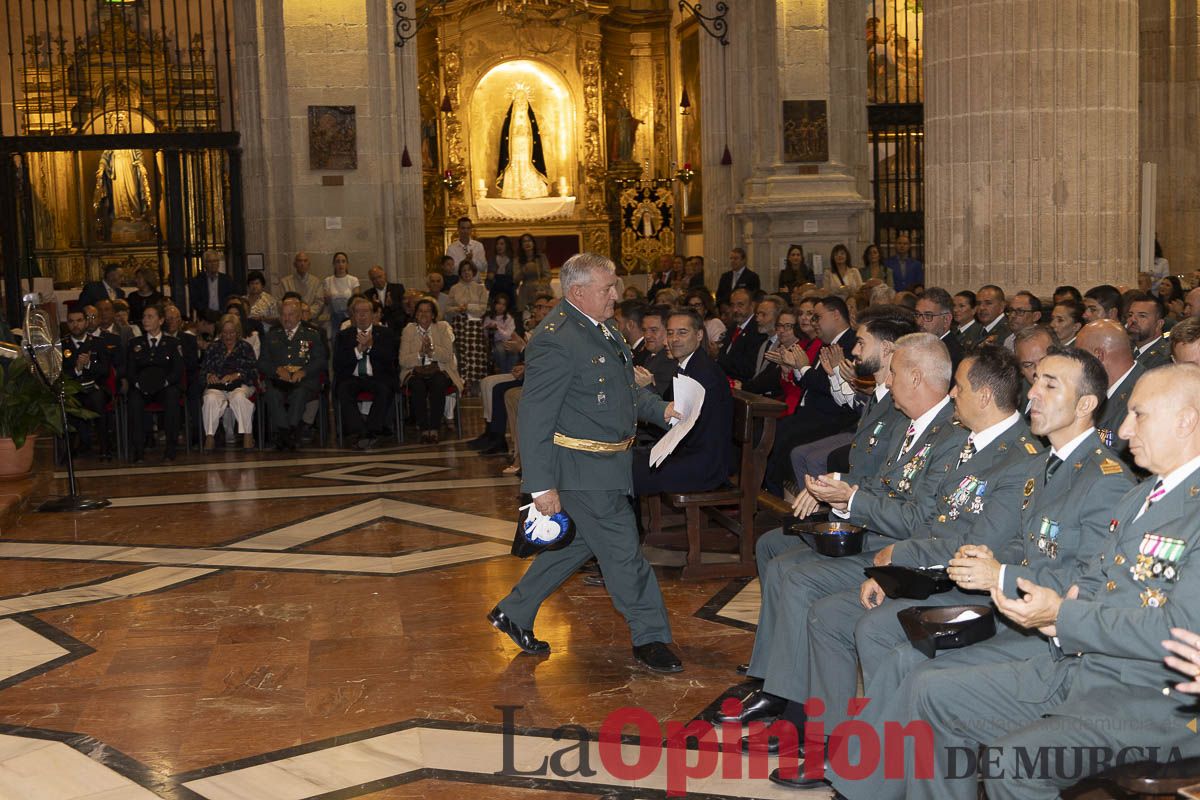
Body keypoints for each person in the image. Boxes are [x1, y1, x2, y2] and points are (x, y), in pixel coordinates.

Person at [831, 346, 1133, 800]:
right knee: (903, 660)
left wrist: (1000, 574)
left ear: (1086, 404)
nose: (1034, 395)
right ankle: (876, 788)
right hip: (1017, 614)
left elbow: (1086, 582)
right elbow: (1024, 542)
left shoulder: (1105, 479)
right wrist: (980, 559)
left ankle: (865, 790)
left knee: (922, 679)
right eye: (1036, 382)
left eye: (1051, 386)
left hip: (1053, 637)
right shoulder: (1043, 466)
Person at [905, 364, 1200, 800]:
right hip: (1084, 667)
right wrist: (1052, 617)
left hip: (1153, 702)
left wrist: (1065, 616)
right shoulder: (1143, 493)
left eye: (1139, 414)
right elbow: (1096, 582)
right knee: (929, 691)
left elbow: (1177, 631)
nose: (1122, 428)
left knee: (1013, 762)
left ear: (1187, 419)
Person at [767, 347, 1044, 790]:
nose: (952, 394)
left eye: (961, 388)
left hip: (969, 587)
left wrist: (898, 558)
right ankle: (833, 747)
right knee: (829, 615)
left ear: (986, 397)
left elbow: (978, 547)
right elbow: (933, 519)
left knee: (876, 629)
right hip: (932, 571)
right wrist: (894, 566)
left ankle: (887, 765)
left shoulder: (1020, 459)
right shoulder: (969, 441)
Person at [726, 331, 958, 727]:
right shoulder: (912, 423)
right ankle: (784, 689)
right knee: (781, 559)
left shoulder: (947, 436)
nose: (886, 380)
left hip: (900, 551)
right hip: (876, 530)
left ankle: (792, 702)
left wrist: (848, 500)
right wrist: (839, 492)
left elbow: (920, 518)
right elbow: (886, 484)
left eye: (895, 372)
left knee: (797, 577)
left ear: (916, 377)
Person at [489, 253, 683, 673]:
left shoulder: (602, 329)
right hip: (581, 469)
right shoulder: (556, 338)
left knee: (579, 544)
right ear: (577, 292)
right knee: (624, 555)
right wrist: (539, 487)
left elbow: (623, 392)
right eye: (607, 288)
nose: (617, 295)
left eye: (614, 286)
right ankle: (650, 637)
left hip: (608, 466)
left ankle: (514, 610)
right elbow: (535, 415)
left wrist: (662, 410)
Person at [259, 298, 326, 451]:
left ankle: (284, 436)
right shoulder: (272, 335)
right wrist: (276, 370)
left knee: (299, 393)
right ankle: (289, 435)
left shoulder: (312, 335)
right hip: (278, 380)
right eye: (283, 315)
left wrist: (304, 371)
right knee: (272, 394)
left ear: (299, 316)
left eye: (291, 315)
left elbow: (321, 360)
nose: (286, 318)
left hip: (303, 380)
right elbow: (262, 362)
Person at [333, 296, 399, 449]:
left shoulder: (385, 333)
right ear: (353, 316)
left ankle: (370, 430)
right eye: (358, 312)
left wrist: (370, 347)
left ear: (372, 314)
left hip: (377, 377)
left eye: (366, 312)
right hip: (353, 377)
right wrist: (358, 351)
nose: (362, 315)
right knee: (343, 389)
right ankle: (363, 432)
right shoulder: (344, 335)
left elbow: (390, 358)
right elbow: (338, 364)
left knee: (384, 389)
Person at [1076, 318, 1142, 462]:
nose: (1075, 364)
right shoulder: (1099, 388)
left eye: (1079, 356)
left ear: (1098, 356)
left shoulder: (1145, 396)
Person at [125, 303, 184, 463]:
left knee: (172, 396)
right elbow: (130, 370)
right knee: (134, 400)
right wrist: (138, 384)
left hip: (164, 387)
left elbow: (177, 370)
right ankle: (138, 449)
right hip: (141, 387)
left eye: (150, 317)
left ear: (161, 320)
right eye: (144, 317)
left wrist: (164, 383)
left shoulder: (172, 343)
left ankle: (170, 448)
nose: (145, 320)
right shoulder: (135, 343)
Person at [400, 298, 462, 443]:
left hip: (439, 369)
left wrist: (431, 350)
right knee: (417, 386)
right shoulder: (408, 330)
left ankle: (434, 428)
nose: (424, 314)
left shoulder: (441, 328)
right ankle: (423, 429)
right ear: (415, 314)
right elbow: (402, 360)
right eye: (420, 311)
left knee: (439, 382)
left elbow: (447, 355)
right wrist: (420, 353)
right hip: (415, 371)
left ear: (433, 315)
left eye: (428, 311)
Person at [200, 314, 258, 451]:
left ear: (237, 332)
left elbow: (253, 372)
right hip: (218, 386)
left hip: (241, 384)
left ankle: (247, 435)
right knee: (210, 398)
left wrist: (237, 375)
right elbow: (202, 371)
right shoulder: (213, 347)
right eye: (225, 332)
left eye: (231, 332)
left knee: (238, 397)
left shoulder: (245, 347)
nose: (228, 336)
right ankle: (209, 436)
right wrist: (209, 376)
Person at [62, 308, 112, 459]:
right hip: (72, 389)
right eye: (71, 321)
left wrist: (89, 364)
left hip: (94, 387)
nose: (75, 325)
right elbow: (58, 374)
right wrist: (77, 369)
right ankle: (70, 450)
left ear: (86, 322)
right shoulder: (62, 345)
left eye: (79, 320)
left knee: (97, 401)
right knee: (69, 403)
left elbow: (105, 370)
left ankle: (105, 448)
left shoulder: (97, 343)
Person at [448, 260, 490, 393]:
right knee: (461, 353)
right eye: (464, 270)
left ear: (473, 272)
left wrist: (468, 307)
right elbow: (448, 309)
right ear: (460, 273)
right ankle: (462, 382)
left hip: (475, 324)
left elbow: (483, 308)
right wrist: (457, 309)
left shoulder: (480, 288)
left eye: (469, 270)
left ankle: (475, 383)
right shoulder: (454, 288)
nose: (466, 272)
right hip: (459, 324)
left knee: (475, 354)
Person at [716, 288, 766, 382]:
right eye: (732, 305)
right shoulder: (732, 327)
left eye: (740, 305)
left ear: (752, 305)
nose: (735, 310)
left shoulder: (757, 330)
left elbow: (747, 369)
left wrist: (718, 356)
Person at [914, 287, 963, 375]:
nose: (919, 322)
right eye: (917, 314)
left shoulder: (951, 356)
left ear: (946, 320)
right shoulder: (922, 346)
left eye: (928, 316)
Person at [633, 305, 676, 400]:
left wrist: (647, 385)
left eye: (654, 330)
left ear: (668, 330)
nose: (647, 335)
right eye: (644, 330)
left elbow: (664, 401)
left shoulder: (670, 360)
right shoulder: (650, 355)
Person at [1013, 325, 1058, 416]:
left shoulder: (1073, 397)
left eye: (1044, 360)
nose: (1038, 370)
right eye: (1028, 365)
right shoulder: (1015, 392)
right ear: (1020, 369)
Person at [1124, 290, 1171, 369]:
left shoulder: (1165, 358)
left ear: (1159, 324)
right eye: (1130, 315)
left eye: (1142, 316)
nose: (1133, 319)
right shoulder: (1126, 349)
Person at [187, 250, 237, 317]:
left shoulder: (226, 280)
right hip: (204, 317)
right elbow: (195, 301)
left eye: (215, 261)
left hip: (223, 315)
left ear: (218, 263)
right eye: (210, 261)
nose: (213, 264)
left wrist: (223, 311)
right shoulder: (198, 280)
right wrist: (206, 312)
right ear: (205, 264)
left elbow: (231, 298)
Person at [280, 251, 325, 320]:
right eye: (299, 261)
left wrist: (306, 314)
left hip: (310, 320)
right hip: (290, 320)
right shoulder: (285, 282)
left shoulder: (316, 282)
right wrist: (293, 314)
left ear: (309, 264)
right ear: (295, 264)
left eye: (305, 261)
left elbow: (319, 303)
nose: (302, 263)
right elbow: (279, 302)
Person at [322, 252, 359, 333]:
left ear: (347, 264)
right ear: (334, 264)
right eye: (337, 262)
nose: (340, 264)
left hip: (350, 316)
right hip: (334, 318)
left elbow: (356, 300)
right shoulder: (328, 280)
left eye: (343, 261)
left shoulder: (353, 280)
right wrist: (327, 298)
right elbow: (326, 303)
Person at [515, 232, 551, 313]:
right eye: (524, 241)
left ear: (533, 243)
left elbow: (548, 275)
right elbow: (515, 279)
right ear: (521, 245)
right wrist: (525, 269)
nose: (527, 243)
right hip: (525, 291)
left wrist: (540, 285)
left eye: (529, 241)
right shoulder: (518, 260)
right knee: (527, 313)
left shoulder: (541, 257)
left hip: (540, 289)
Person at [484, 293, 519, 374]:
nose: (501, 307)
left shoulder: (509, 318)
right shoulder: (489, 317)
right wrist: (489, 329)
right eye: (499, 303)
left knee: (514, 352)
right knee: (500, 351)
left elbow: (507, 336)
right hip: (494, 342)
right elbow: (485, 334)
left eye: (503, 304)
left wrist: (498, 329)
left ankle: (510, 373)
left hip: (507, 340)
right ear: (495, 304)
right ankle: (504, 373)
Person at [486, 235, 516, 306]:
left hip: (509, 293)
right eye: (497, 244)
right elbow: (488, 284)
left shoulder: (513, 260)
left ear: (507, 245)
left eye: (502, 244)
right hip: (495, 292)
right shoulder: (492, 260)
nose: (499, 246)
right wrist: (490, 278)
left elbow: (515, 280)